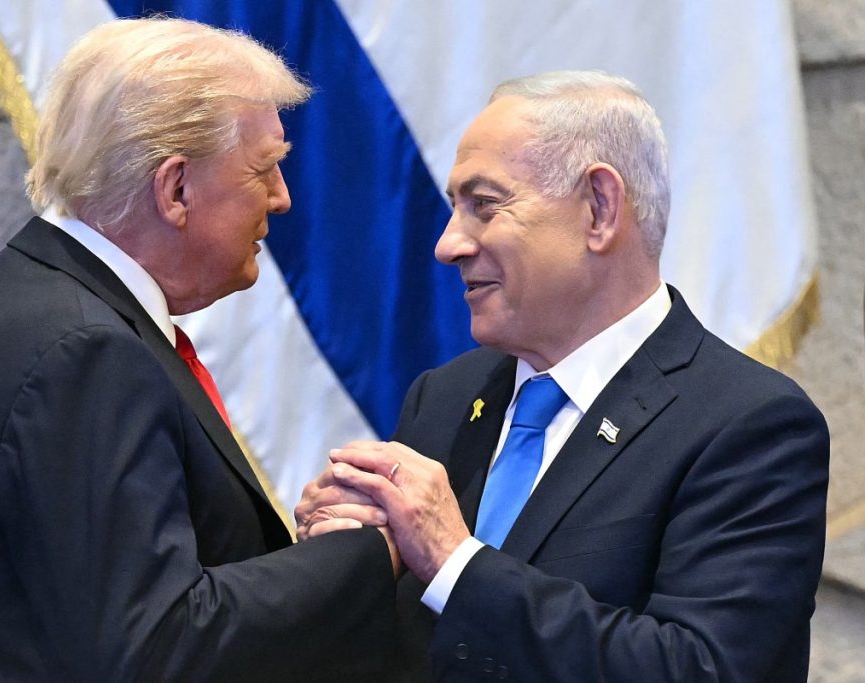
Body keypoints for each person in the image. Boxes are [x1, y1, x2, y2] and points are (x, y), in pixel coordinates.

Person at [0, 17, 397, 682]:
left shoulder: (36, 307)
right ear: (175, 188)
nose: (282, 197)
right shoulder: (82, 354)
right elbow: (156, 645)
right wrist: (365, 552)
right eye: (265, 168)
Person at [297, 71, 829, 682]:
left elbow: (703, 669)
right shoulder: (444, 399)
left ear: (599, 209)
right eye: (454, 210)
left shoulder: (749, 424)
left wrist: (454, 560)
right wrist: (345, 562)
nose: (448, 245)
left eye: (484, 206)